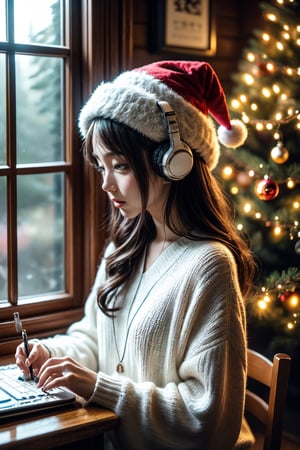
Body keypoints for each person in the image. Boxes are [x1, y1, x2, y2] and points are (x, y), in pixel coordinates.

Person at [15, 60, 257, 450]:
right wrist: (51, 353)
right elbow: (93, 338)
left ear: (172, 161)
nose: (106, 183)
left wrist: (99, 387)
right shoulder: (124, 248)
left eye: (121, 165)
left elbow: (207, 417)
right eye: (101, 166)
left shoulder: (209, 265)